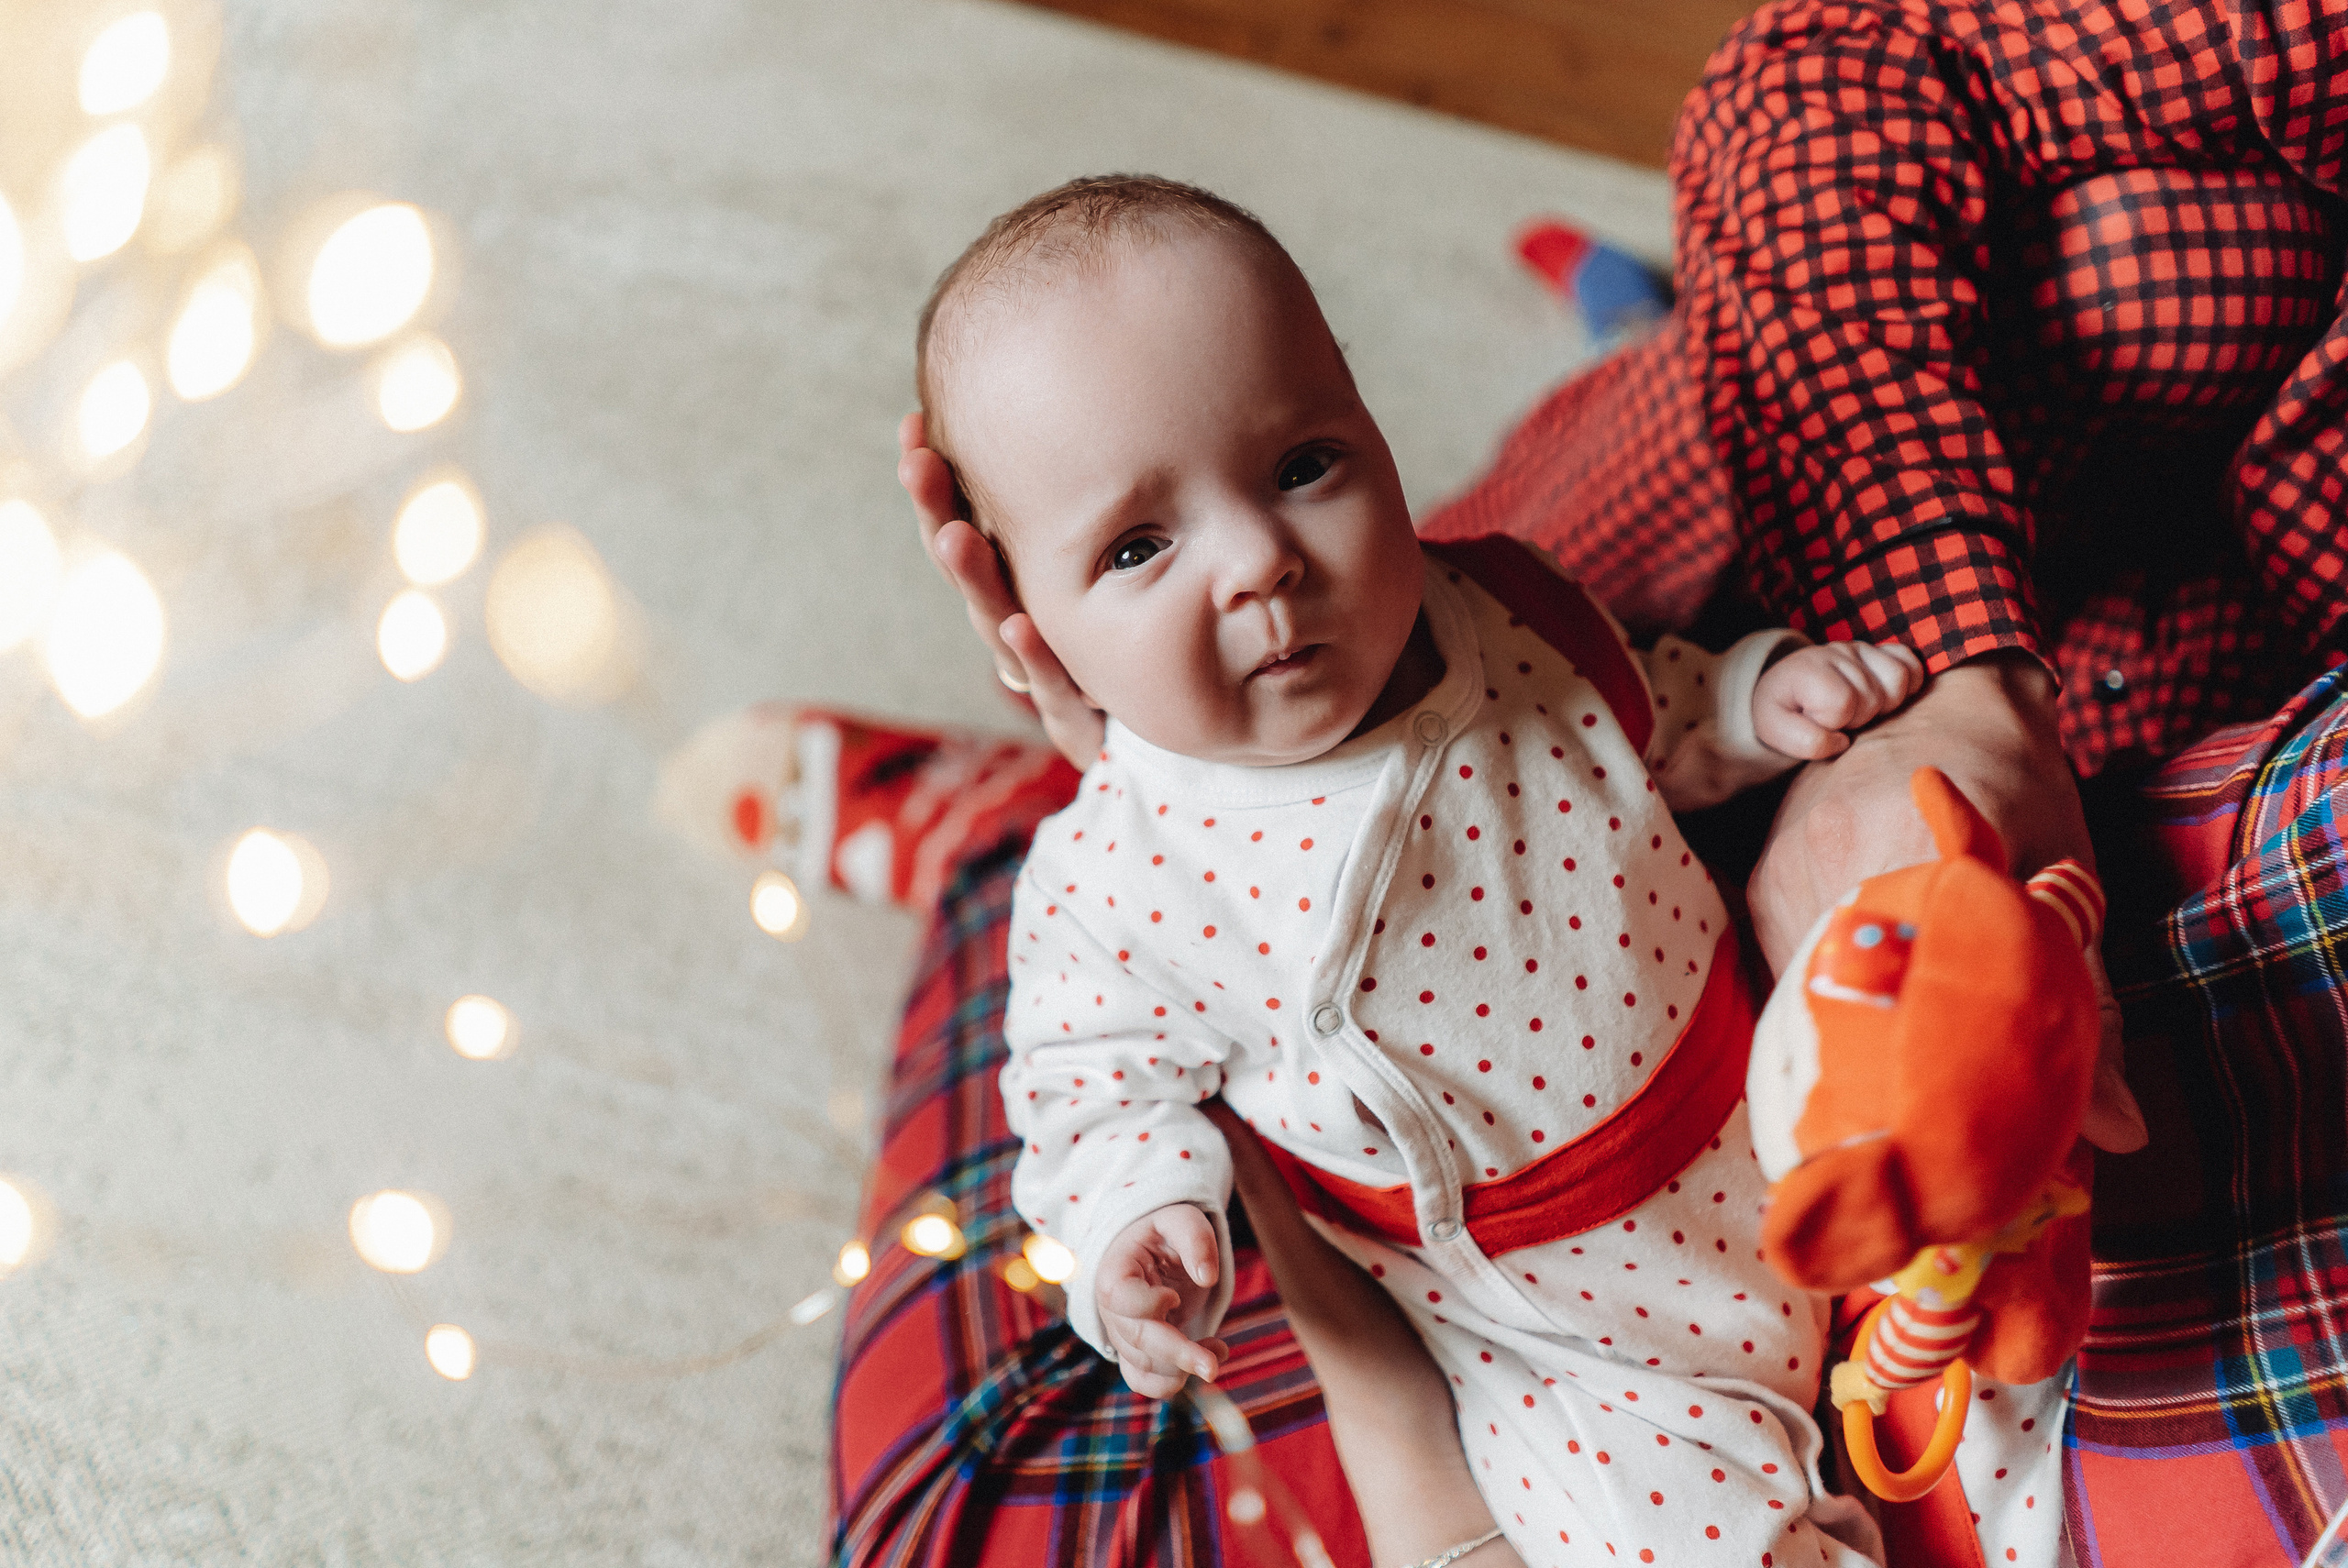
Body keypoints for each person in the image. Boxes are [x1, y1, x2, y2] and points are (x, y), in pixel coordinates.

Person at [907, 172, 1933, 1565]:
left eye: (1302, 465)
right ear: (1032, 638)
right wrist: (1135, 1227)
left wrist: (1754, 701)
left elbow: (1645, 712)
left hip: (1770, 1103)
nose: (1263, 561)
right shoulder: (1121, 875)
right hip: (1560, 1336)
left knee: (1997, 1243)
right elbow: (1087, 1095)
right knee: (1689, 1536)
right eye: (1141, 546)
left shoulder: (1506, 607)